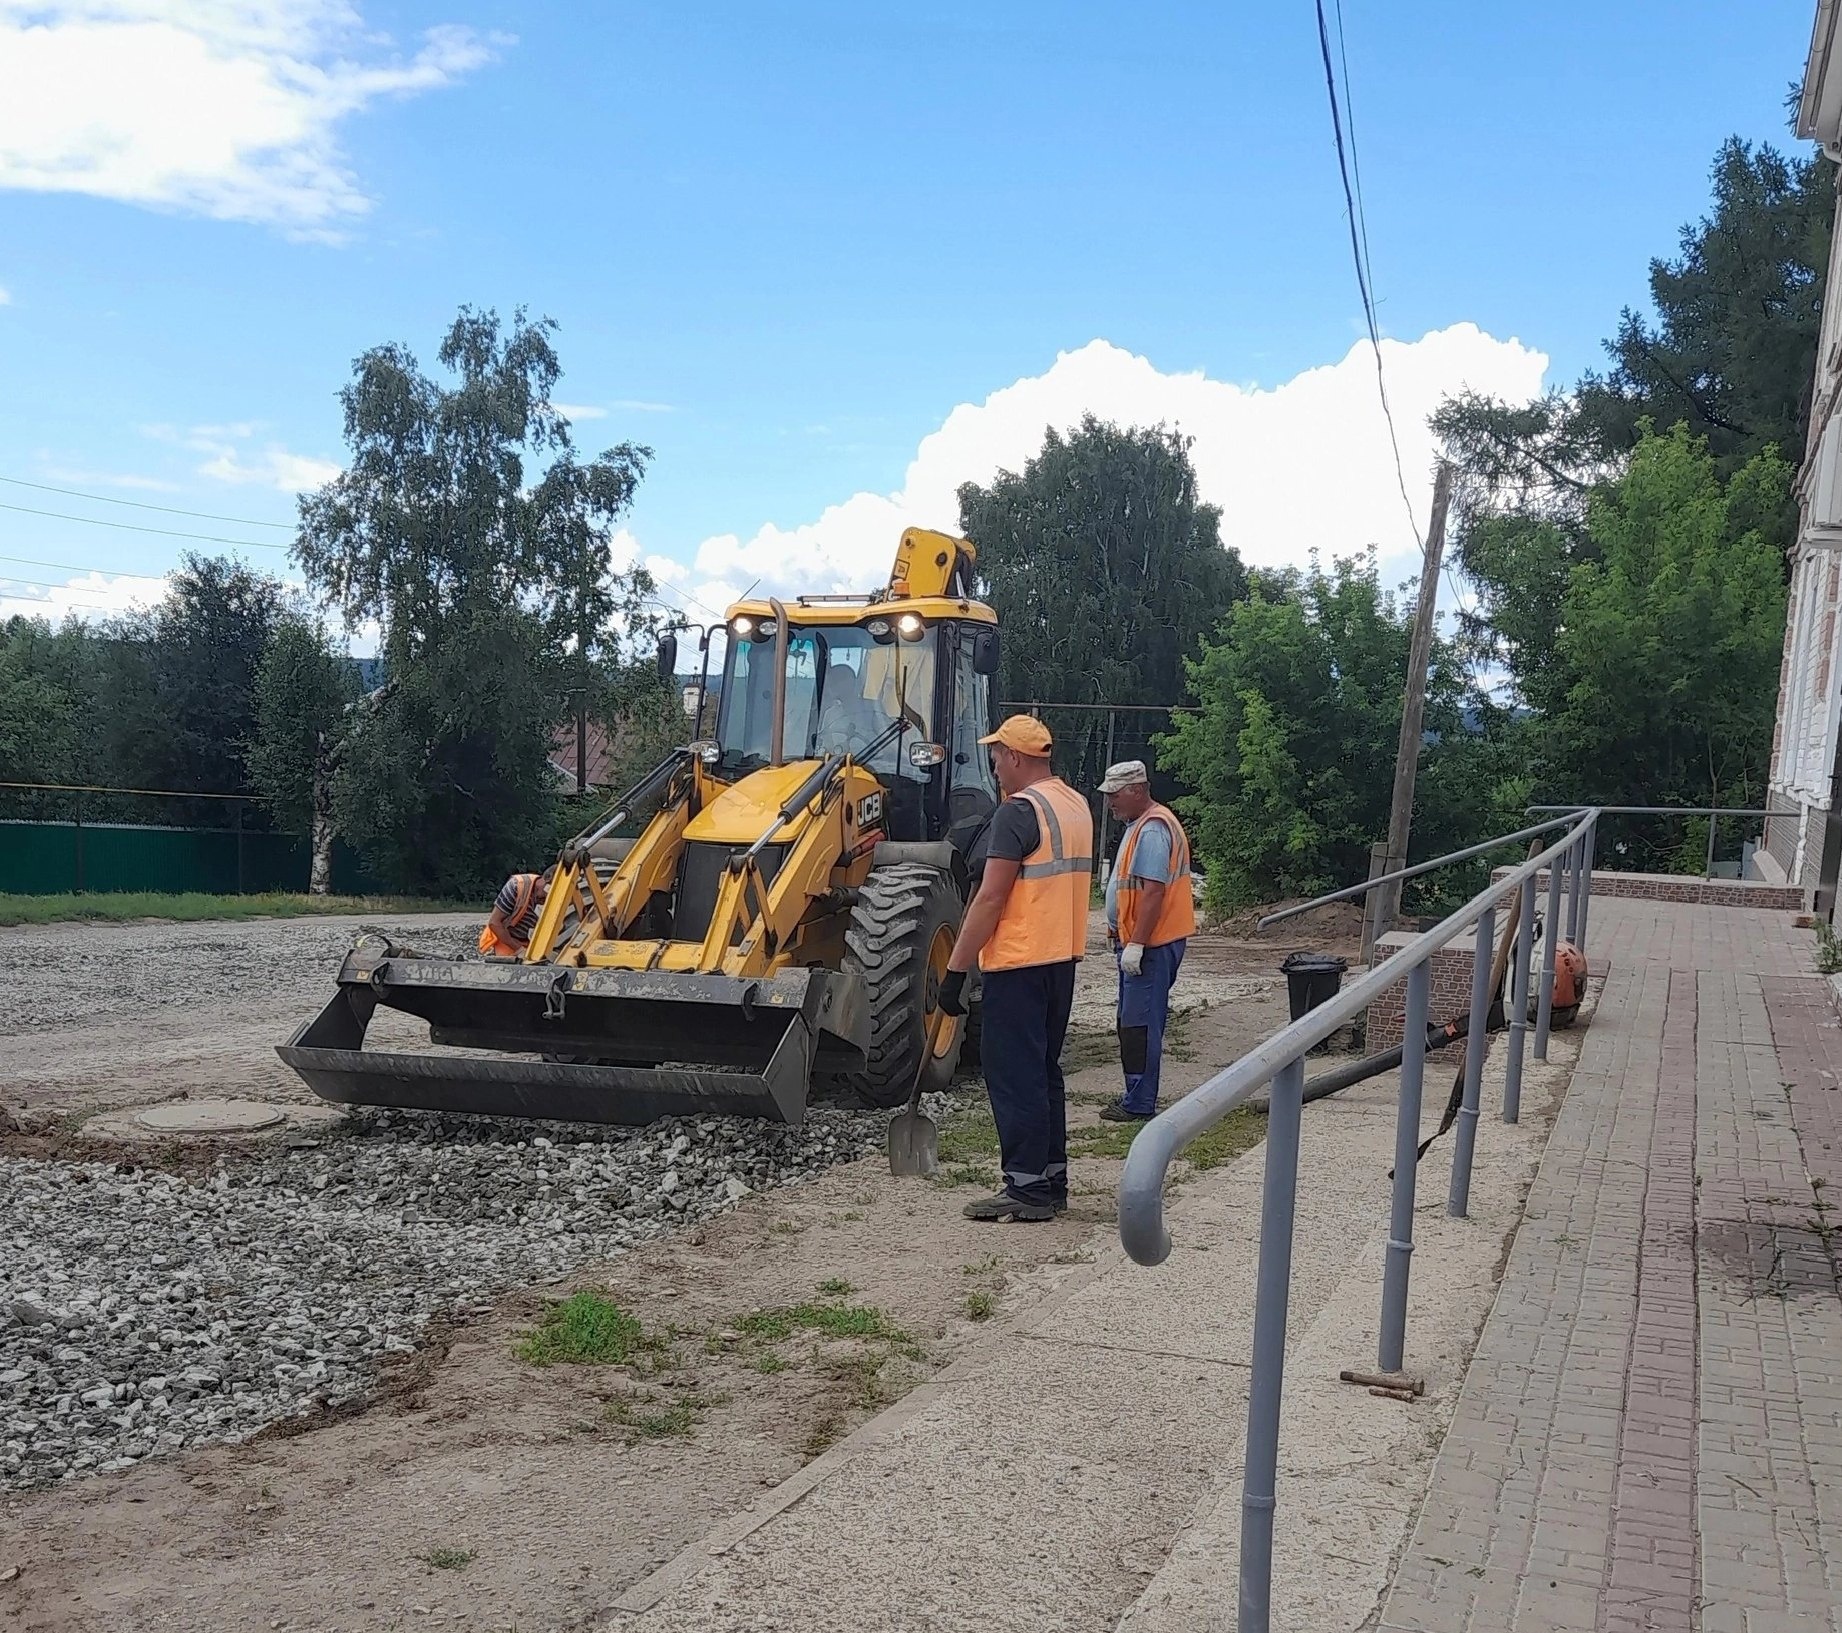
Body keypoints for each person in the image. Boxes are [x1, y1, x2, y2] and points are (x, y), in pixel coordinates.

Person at [937, 714, 1094, 1222]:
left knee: (1014, 1074)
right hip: (1061, 959)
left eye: (999, 755)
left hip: (1020, 961)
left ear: (1019, 758)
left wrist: (956, 971)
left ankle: (1025, 1188)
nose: (995, 765)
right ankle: (1050, 1177)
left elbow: (989, 898)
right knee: (1044, 1070)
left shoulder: (1018, 813)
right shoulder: (1074, 805)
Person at [1097, 760, 1195, 1122]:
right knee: (1133, 1022)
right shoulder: (1142, 824)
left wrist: (1137, 943)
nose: (1110, 802)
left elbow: (1153, 892)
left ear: (1137, 790)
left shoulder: (1153, 829)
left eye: (1115, 794)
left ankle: (1139, 1101)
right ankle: (1135, 1094)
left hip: (1152, 945)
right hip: (1148, 942)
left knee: (1138, 1025)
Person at [480, 868, 551, 958]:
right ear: (546, 880)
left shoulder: (554, 900)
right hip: (507, 941)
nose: (547, 898)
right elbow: (494, 923)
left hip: (533, 944)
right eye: (548, 892)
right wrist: (519, 950)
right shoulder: (517, 885)